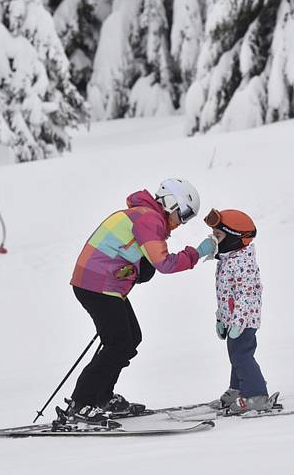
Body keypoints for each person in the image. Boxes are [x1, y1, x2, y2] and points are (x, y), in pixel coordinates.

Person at [65, 178, 217, 423]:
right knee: (118, 343)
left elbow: (139, 261)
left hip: (100, 285)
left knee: (129, 339)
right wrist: (197, 252)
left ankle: (103, 397)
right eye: (184, 215)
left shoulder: (142, 216)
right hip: (96, 286)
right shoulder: (149, 219)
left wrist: (136, 270)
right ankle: (81, 402)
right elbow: (165, 264)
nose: (182, 223)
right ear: (170, 203)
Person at [202, 208, 271, 414]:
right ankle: (238, 388)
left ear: (233, 238)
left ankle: (256, 395)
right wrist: (221, 319)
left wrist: (239, 321)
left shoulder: (242, 262)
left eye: (218, 235)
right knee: (236, 355)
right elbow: (226, 295)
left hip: (244, 321)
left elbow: (247, 294)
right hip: (233, 320)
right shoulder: (227, 259)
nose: (214, 240)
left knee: (242, 356)